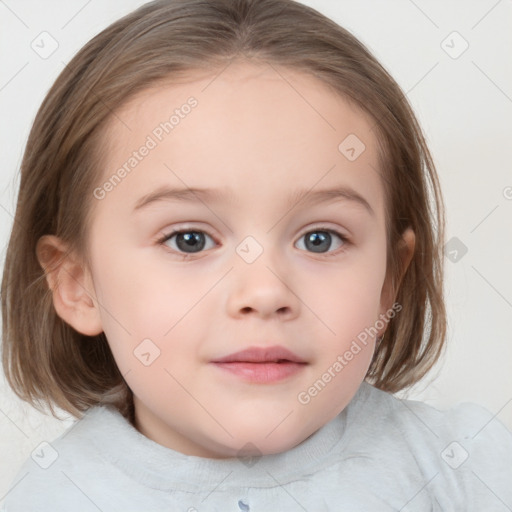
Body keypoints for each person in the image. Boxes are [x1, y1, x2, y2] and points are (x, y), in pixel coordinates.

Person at [1, 0, 511, 510]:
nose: (265, 292)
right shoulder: (52, 497)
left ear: (387, 284)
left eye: (320, 239)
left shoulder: (471, 470)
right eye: (189, 240)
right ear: (76, 283)